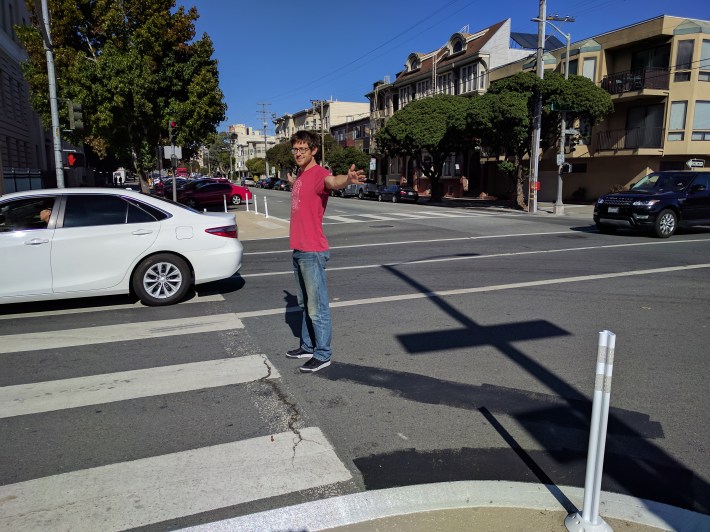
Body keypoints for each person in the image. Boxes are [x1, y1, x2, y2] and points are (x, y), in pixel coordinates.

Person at [285, 130, 365, 373]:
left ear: (314, 151)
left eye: (303, 149)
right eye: (295, 149)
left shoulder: (321, 174)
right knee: (303, 303)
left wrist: (348, 180)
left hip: (312, 250)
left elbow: (333, 182)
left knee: (316, 307)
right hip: (298, 248)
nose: (298, 153)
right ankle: (308, 346)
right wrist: (293, 183)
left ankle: (323, 354)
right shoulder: (301, 174)